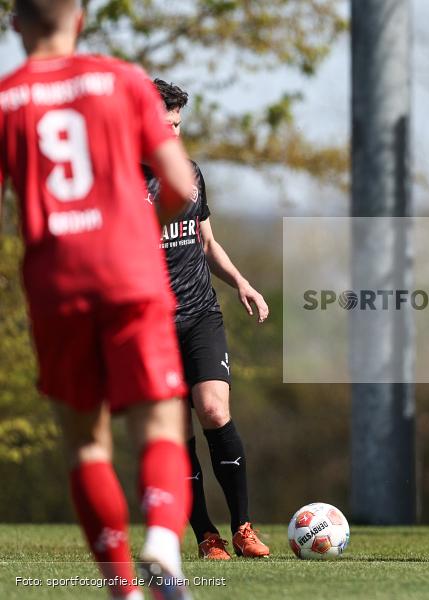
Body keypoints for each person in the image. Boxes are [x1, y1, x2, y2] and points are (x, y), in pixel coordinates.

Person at [0, 1, 197, 598]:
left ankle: (122, 589)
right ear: (80, 18)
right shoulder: (123, 80)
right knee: (161, 422)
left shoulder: (6, 99)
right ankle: (163, 541)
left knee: (86, 442)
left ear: (15, 23)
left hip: (57, 284)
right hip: (130, 276)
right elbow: (182, 187)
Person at [144, 79, 271, 559]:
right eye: (164, 123)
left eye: (177, 124)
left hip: (199, 314)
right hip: (150, 327)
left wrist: (241, 282)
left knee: (215, 410)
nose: (173, 133)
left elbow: (206, 241)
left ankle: (243, 527)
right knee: (177, 432)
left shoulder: (191, 174)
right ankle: (206, 535)